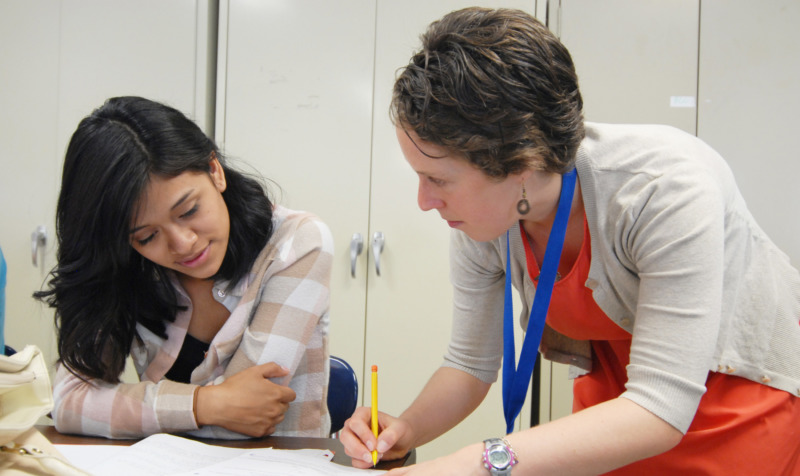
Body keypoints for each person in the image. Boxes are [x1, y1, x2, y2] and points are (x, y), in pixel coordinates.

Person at [340, 7, 800, 475]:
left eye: (437, 178)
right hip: (616, 406)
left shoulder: (661, 189)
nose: (424, 201)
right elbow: (468, 364)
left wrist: (471, 464)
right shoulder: (485, 219)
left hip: (733, 403)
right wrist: (406, 430)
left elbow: (661, 405)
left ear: (521, 160)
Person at [35, 96, 334, 439]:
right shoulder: (129, 267)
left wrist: (144, 408)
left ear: (215, 171)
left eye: (190, 210)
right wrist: (205, 404)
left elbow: (246, 420)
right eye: (147, 236)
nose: (183, 243)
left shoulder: (295, 243)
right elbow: (69, 402)